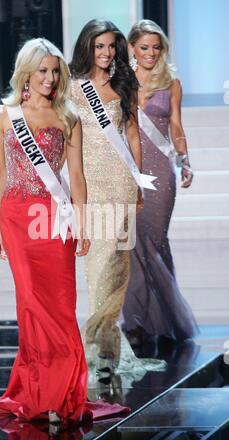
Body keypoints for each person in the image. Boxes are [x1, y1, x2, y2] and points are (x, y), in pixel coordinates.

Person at [0, 37, 129, 427]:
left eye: (55, 71)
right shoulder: (2, 116)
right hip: (18, 219)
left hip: (56, 218)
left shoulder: (68, 117)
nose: (50, 78)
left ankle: (63, 389)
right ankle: (37, 389)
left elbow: (78, 177)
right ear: (26, 74)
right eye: (42, 71)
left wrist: (82, 223)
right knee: (32, 306)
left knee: (61, 305)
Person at [70, 19, 165, 378]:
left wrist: (138, 183)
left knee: (118, 267)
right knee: (99, 264)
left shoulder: (125, 83)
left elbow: (134, 136)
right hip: (91, 185)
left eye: (111, 46)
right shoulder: (75, 88)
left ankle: (104, 349)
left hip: (122, 184)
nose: (107, 53)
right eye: (100, 46)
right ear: (88, 48)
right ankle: (95, 346)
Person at [122, 20, 198, 344]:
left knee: (154, 241)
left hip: (161, 173)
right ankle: (137, 320)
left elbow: (176, 126)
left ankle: (161, 318)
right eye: (144, 47)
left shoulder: (172, 83)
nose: (151, 53)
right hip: (128, 170)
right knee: (132, 246)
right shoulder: (120, 83)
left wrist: (185, 159)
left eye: (156, 47)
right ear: (132, 49)